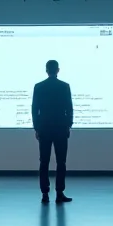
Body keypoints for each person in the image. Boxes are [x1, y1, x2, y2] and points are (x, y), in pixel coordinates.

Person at [32, 60, 73, 204]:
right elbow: (69, 108)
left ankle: (45, 194)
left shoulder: (39, 87)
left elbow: (34, 109)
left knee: (44, 162)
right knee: (61, 162)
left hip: (44, 128)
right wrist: (69, 125)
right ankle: (59, 193)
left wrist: (36, 128)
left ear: (46, 70)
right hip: (61, 128)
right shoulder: (64, 86)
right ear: (58, 70)